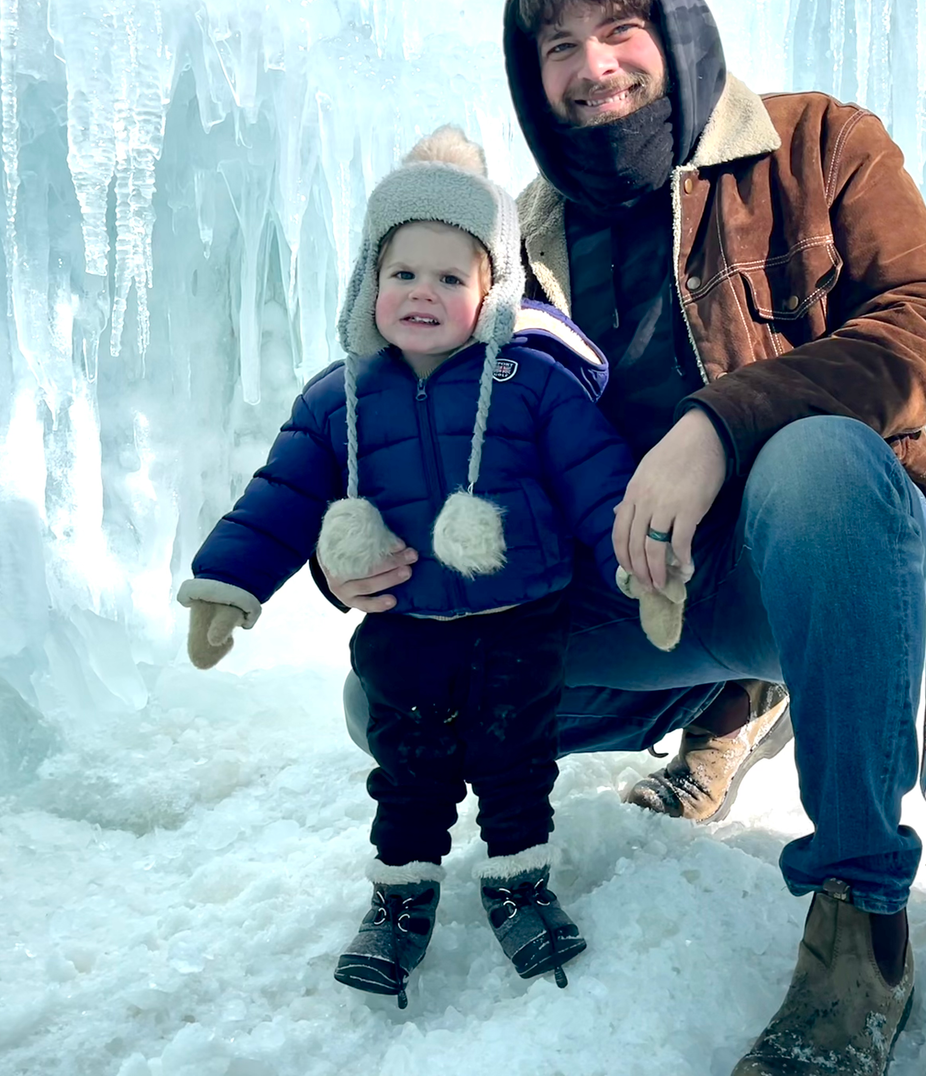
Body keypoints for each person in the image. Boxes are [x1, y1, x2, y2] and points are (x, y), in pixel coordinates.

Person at [323, 0, 926, 1074]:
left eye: (621, 28)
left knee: (819, 462)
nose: (596, 67)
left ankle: (859, 926)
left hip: (820, 568)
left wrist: (718, 425)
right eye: (559, 47)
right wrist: (374, 537)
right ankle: (728, 708)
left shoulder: (818, 144)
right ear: (531, 79)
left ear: (674, 30)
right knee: (391, 695)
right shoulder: (515, 245)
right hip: (642, 586)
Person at [177, 127, 664, 1009]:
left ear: (493, 289)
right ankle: (399, 900)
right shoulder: (339, 398)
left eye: (452, 277)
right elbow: (280, 496)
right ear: (372, 283)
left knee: (517, 758)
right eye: (404, 274)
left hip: (523, 621)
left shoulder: (534, 383)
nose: (424, 295)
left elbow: (602, 484)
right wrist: (229, 583)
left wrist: (643, 566)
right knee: (409, 765)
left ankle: (520, 884)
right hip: (401, 625)